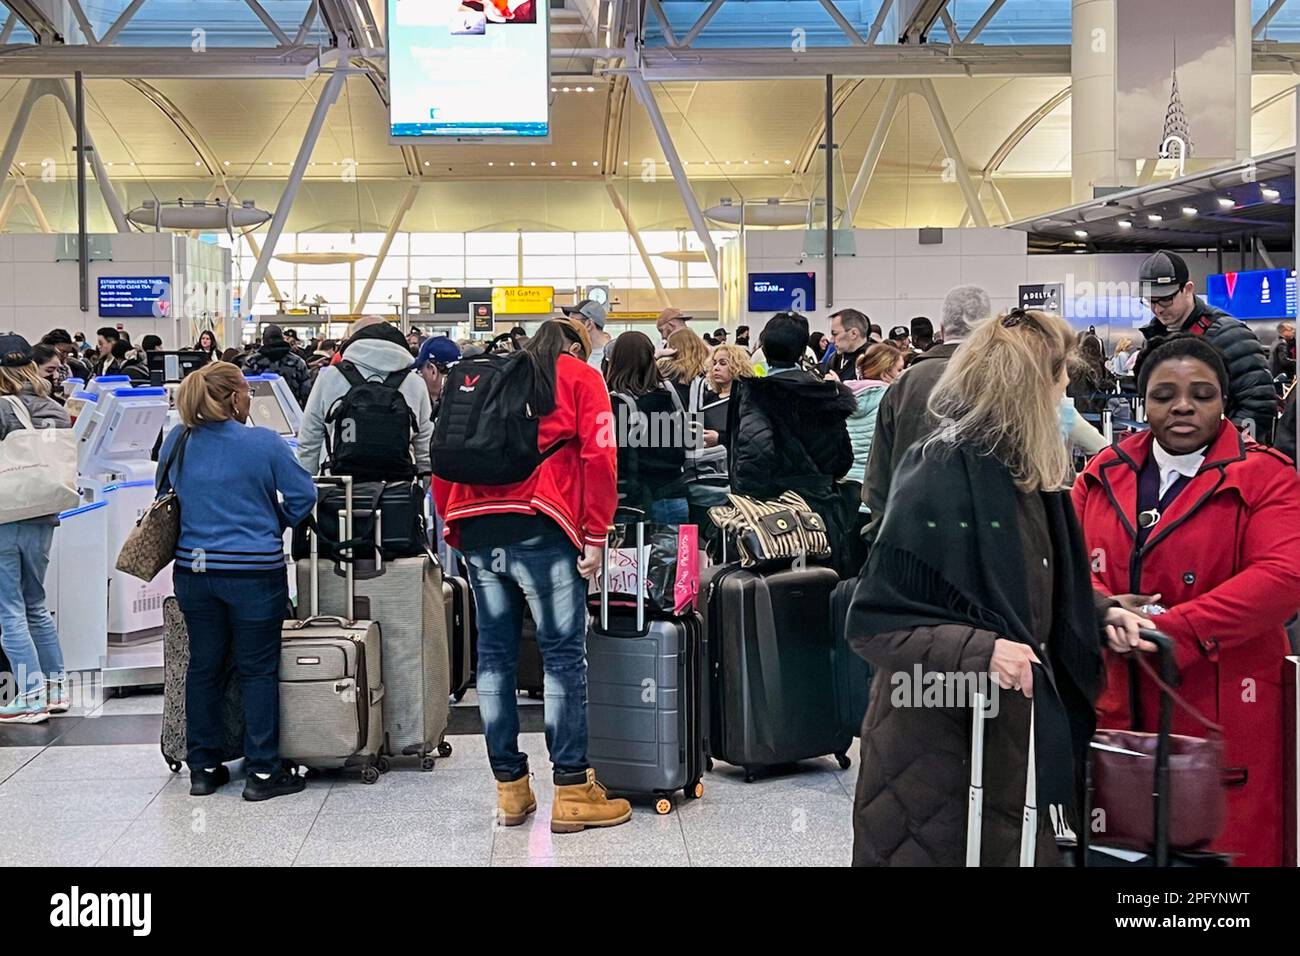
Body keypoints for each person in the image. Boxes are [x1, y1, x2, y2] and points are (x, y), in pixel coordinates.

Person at [847, 308, 1142, 867]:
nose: (1066, 395)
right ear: (1032, 386)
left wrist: (1099, 612)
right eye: (1060, 380)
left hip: (1010, 751)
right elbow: (875, 622)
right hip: (938, 760)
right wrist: (982, 649)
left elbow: (1031, 582)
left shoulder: (1031, 473)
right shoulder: (938, 473)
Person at [1074, 335, 1300, 866]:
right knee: (1124, 854)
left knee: (1228, 858)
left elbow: (1282, 577)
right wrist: (1102, 608)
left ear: (1224, 401)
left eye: (1202, 394)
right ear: (1142, 400)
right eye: (1163, 394)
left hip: (1223, 707)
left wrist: (1173, 629)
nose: (1182, 406)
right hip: (1119, 708)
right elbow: (1064, 566)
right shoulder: (1102, 473)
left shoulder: (1267, 475)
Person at [431, 319, 630, 834]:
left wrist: (454, 523)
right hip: (545, 525)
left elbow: (443, 457)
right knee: (562, 656)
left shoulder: (484, 374)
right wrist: (597, 532)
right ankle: (571, 788)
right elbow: (600, 456)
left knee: (493, 660)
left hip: (476, 527)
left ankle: (511, 790)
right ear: (576, 346)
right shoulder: (580, 378)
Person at [158, 362, 316, 799]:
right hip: (254, 573)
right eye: (246, 391)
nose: (249, 398)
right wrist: (274, 522)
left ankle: (203, 769)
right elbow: (304, 495)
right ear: (232, 398)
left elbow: (164, 493)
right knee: (257, 669)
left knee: (204, 666)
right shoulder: (263, 444)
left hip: (194, 572)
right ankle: (264, 773)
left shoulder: (179, 441)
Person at [861, 285, 991, 546]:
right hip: (985, 541)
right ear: (987, 330)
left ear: (941, 330)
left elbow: (877, 476)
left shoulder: (904, 384)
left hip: (911, 536)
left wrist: (883, 534)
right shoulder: (1005, 381)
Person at [728, 311, 857, 573]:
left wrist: (749, 496)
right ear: (802, 351)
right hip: (822, 511)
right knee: (822, 588)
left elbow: (756, 453)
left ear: (763, 347)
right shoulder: (827, 393)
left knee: (775, 594)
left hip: (775, 518)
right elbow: (843, 459)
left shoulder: (759, 394)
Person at [0, 346, 73, 723]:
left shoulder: (3, 407)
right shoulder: (56, 408)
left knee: (9, 609)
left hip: (5, 516)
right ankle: (56, 689)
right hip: (44, 514)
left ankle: (28, 694)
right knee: (35, 605)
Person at [1135, 250, 1275, 443]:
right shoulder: (1154, 338)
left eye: (1166, 299)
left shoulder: (1230, 334)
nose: (1158, 308)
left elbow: (1259, 403)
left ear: (1188, 289)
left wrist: (1227, 447)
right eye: (1151, 301)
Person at [296, 321, 433, 478]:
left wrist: (308, 486)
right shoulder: (414, 382)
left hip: (338, 485)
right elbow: (425, 446)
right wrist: (423, 484)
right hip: (398, 489)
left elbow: (309, 439)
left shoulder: (330, 377)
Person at [606, 331, 689, 524]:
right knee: (674, 553)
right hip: (673, 490)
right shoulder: (670, 394)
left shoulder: (615, 404)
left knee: (628, 554)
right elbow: (687, 439)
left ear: (616, 360)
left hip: (631, 498)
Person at [841, 343, 905, 570]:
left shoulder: (844, 396)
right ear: (887, 371)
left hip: (846, 491)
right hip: (876, 495)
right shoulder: (891, 400)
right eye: (899, 370)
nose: (901, 375)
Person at [243, 324, 311, 407]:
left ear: (263, 340)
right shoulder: (297, 362)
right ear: (282, 338)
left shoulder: (252, 361)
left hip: (261, 411)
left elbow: (244, 388)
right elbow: (306, 392)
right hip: (292, 410)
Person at [658, 327, 710, 408]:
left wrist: (658, 355)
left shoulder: (664, 370)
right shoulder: (707, 371)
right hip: (698, 418)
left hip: (665, 418)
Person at [414, 335, 461, 419]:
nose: (419, 376)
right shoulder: (470, 400)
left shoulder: (416, 405)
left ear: (433, 371)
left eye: (420, 371)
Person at [562, 298, 612, 372]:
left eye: (573, 322)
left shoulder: (614, 354)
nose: (569, 327)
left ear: (588, 324)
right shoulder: (574, 353)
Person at [826, 308, 870, 382]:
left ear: (854, 334)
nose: (832, 340)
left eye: (835, 334)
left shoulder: (874, 359)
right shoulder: (834, 359)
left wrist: (840, 386)